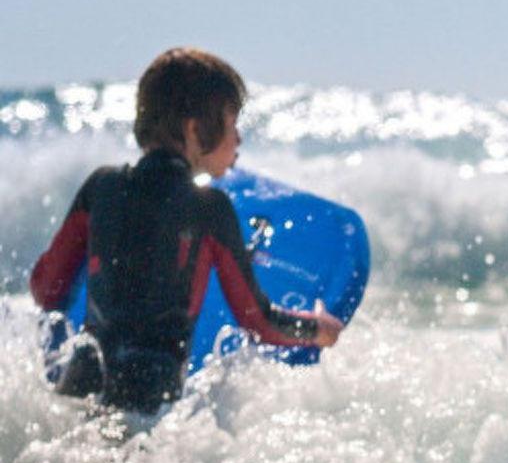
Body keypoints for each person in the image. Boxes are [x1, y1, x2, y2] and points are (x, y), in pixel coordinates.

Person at [28, 47, 341, 414]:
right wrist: (316, 329)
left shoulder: (101, 188)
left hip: (81, 383)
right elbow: (258, 321)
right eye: (231, 123)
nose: (238, 139)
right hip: (147, 397)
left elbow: (46, 289)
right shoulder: (208, 207)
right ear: (194, 129)